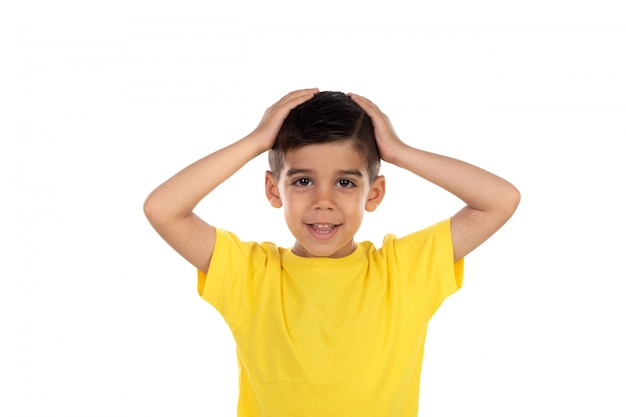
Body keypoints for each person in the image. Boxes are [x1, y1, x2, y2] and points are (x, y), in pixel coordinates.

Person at [143, 88, 520, 417]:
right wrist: (257, 141)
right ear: (274, 191)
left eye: (345, 182)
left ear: (373, 194)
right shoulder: (250, 275)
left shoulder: (402, 271)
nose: (324, 201)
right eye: (303, 181)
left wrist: (399, 152)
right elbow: (163, 209)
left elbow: (500, 200)